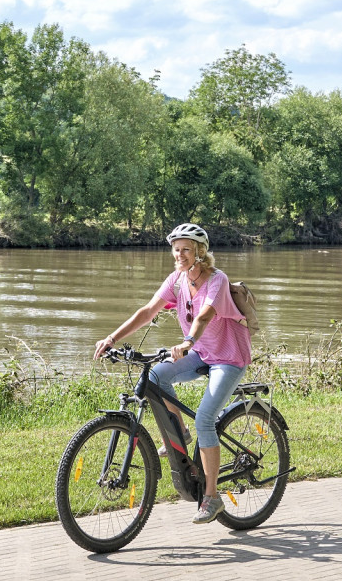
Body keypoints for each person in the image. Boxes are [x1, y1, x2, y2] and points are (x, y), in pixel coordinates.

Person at [94, 223, 252, 524]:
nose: (179, 255)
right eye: (176, 249)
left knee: (206, 418)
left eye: (186, 250)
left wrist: (187, 341)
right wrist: (112, 338)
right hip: (200, 353)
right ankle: (179, 434)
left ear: (200, 253)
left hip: (229, 357)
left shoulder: (216, 279)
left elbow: (205, 314)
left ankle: (211, 497)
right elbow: (147, 311)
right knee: (156, 377)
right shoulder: (177, 280)